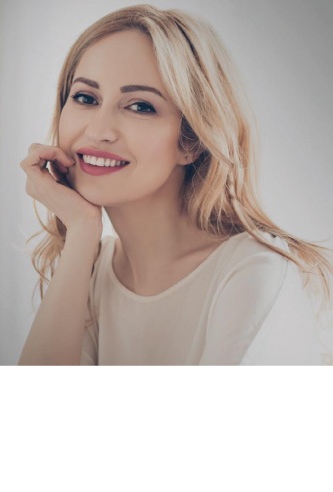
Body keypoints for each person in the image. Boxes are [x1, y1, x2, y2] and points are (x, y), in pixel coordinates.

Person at [17, 4, 333, 366]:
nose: (98, 131)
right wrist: (81, 229)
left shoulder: (255, 274)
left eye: (140, 106)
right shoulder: (91, 267)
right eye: (86, 98)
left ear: (191, 140)